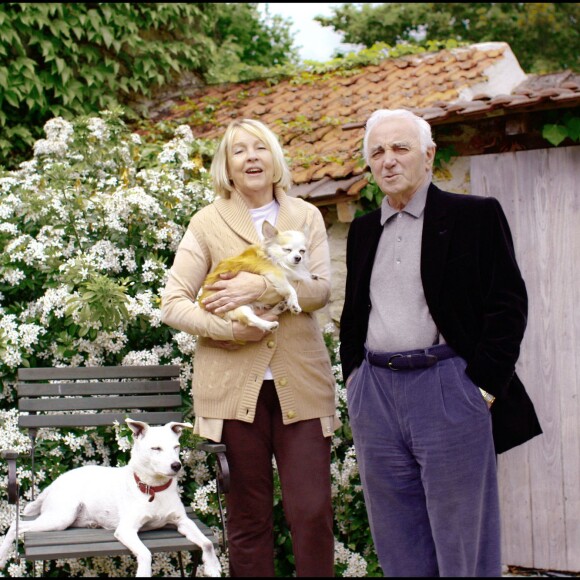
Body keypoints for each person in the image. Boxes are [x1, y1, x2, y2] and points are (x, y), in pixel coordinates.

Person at [339, 109, 542, 577]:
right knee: (397, 540)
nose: (388, 161)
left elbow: (508, 306)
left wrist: (483, 389)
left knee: (462, 540)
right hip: (377, 394)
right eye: (378, 152)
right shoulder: (364, 230)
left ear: (428, 155)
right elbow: (354, 312)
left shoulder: (475, 216)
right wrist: (355, 380)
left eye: (400, 148)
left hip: (448, 389)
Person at [161, 118, 339, 577]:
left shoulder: (306, 217)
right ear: (227, 166)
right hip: (231, 391)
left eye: (260, 147)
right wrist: (232, 331)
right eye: (239, 151)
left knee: (312, 512)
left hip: (301, 383)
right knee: (247, 518)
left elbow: (319, 290)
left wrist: (258, 286)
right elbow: (173, 305)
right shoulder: (207, 223)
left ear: (275, 159)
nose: (251, 157)